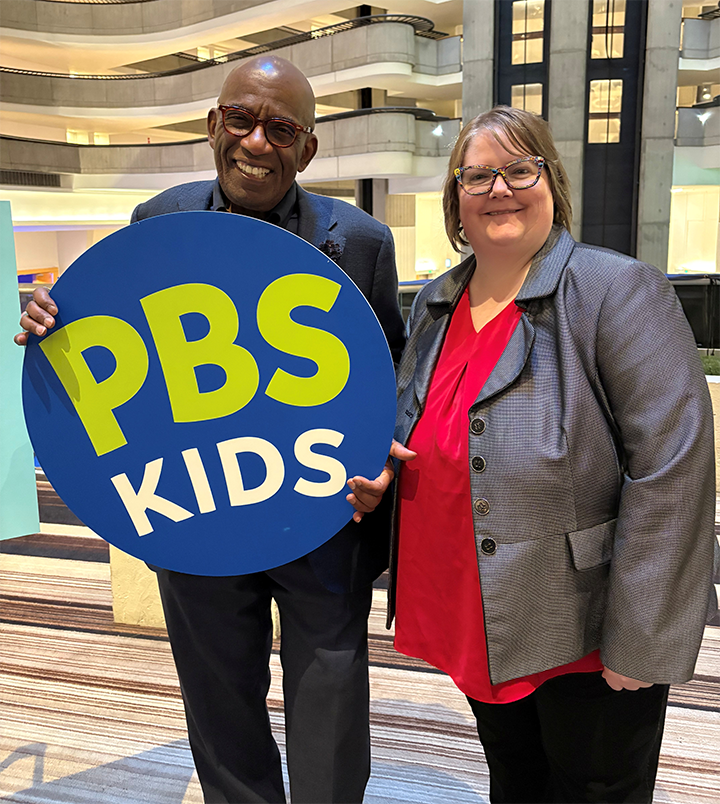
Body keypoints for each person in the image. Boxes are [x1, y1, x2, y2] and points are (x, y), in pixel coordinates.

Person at [16, 56, 407, 804]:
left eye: (281, 128)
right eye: (241, 120)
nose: (257, 142)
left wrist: (383, 460)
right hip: (196, 507)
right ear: (213, 126)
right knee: (218, 698)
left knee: (329, 693)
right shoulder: (157, 222)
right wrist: (52, 325)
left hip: (323, 507)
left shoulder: (360, 240)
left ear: (308, 149)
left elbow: (390, 372)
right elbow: (114, 344)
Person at [388, 106, 718, 804]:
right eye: (478, 176)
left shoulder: (613, 290)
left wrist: (641, 639)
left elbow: (673, 469)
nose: (499, 189)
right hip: (473, 611)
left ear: (551, 181)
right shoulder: (435, 304)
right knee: (514, 778)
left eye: (518, 169)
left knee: (594, 789)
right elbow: (417, 421)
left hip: (583, 629)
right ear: (456, 199)